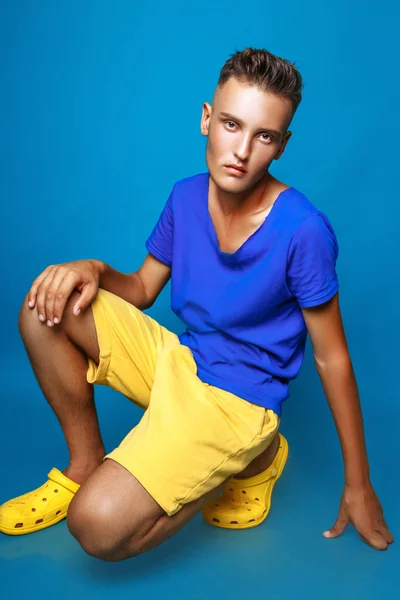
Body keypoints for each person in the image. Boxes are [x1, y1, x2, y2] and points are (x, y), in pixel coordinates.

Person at [0, 48, 393, 559]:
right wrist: (91, 271)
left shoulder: (304, 230)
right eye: (231, 124)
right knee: (43, 305)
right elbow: (141, 289)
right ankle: (84, 464)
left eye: (264, 136)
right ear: (207, 119)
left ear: (281, 145)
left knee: (96, 527)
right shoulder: (185, 197)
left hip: (238, 402)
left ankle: (252, 458)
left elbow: (332, 358)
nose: (242, 150)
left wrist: (357, 484)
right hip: (180, 362)